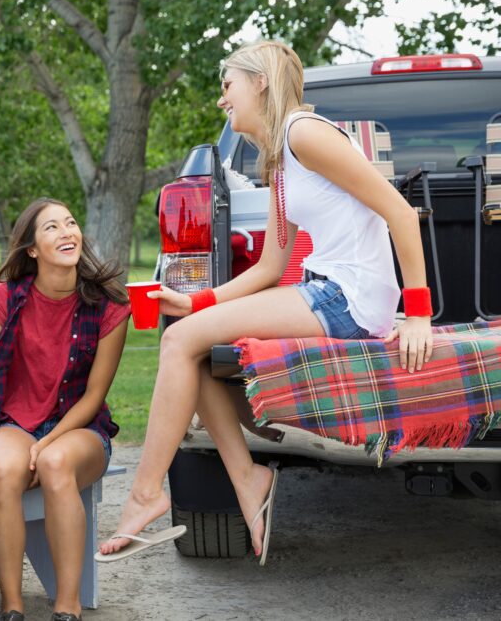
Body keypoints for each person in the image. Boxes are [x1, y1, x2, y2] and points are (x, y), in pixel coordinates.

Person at [98, 40, 434, 565]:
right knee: (196, 349)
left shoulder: (304, 133)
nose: (221, 101)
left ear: (260, 82)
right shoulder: (279, 159)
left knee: (180, 342)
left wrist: (418, 314)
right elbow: (269, 268)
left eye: (226, 85)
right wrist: (196, 302)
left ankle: (145, 495)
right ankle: (250, 480)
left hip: (348, 296)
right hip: (323, 289)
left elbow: (401, 212)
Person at [0, 198, 131, 621]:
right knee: (1, 469)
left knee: (57, 463)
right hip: (17, 422)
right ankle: (12, 606)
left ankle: (67, 607)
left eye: (71, 223)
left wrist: (48, 443)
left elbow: (95, 395)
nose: (67, 232)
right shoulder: (2, 299)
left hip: (80, 428)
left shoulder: (110, 304)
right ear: (32, 250)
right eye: (52, 227)